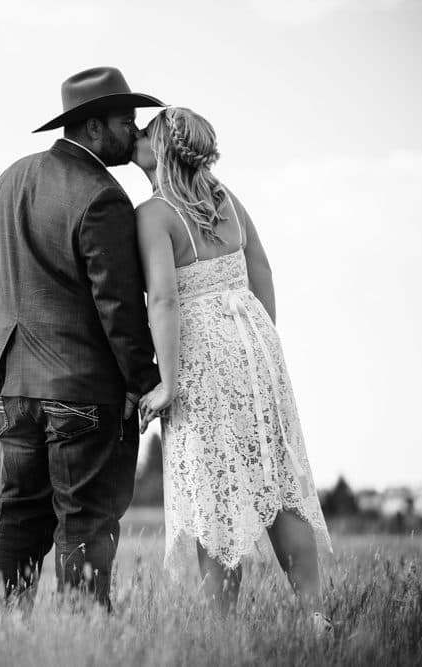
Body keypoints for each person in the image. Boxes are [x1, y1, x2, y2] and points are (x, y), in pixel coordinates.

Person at [132, 107, 333, 624]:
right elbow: (260, 268)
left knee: (215, 493)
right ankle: (317, 619)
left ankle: (222, 636)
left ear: (162, 151)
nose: (136, 135)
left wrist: (168, 384)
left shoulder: (154, 213)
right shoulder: (225, 198)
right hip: (255, 344)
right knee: (276, 480)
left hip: (202, 357)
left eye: (146, 133)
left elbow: (165, 302)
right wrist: (263, 342)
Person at [0, 67, 162, 609]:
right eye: (126, 121)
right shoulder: (102, 196)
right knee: (86, 520)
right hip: (80, 390)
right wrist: (146, 383)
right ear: (94, 128)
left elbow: (2, 278)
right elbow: (120, 310)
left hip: (9, 385)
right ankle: (82, 641)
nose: (135, 131)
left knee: (16, 513)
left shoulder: (9, 179)